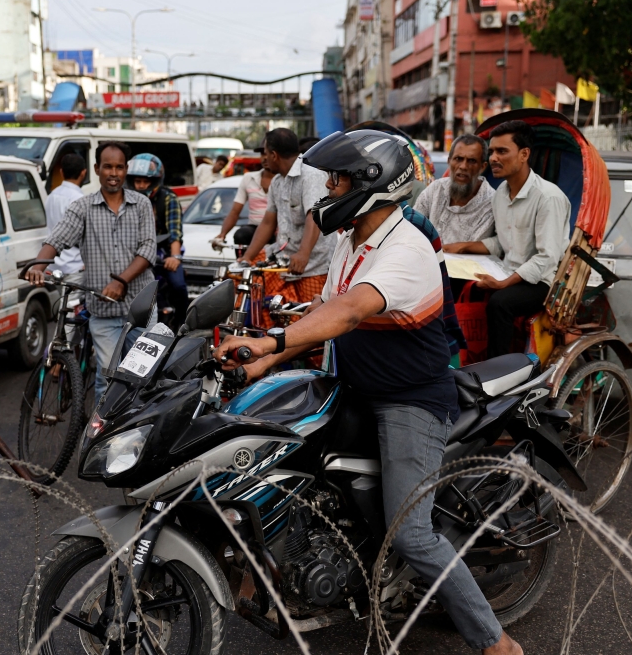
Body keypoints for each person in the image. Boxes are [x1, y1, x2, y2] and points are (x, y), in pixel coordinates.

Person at [213, 129, 523, 655]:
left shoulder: (406, 247)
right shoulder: (350, 241)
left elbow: (351, 310)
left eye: (338, 180)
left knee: (413, 533)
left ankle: (496, 643)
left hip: (410, 400)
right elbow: (324, 317)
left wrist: (269, 338)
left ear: (373, 185)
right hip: (352, 385)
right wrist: (262, 362)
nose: (328, 190)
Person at [25, 140, 156, 402]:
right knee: (107, 383)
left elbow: (148, 249)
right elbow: (56, 240)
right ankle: (99, 440)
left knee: (146, 380)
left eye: (119, 167)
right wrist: (38, 266)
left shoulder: (141, 204)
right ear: (96, 169)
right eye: (108, 166)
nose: (114, 173)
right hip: (104, 314)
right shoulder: (82, 208)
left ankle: (141, 436)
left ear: (126, 169)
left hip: (141, 310)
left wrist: (121, 281)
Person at [445, 120, 570, 357]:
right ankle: (457, 357)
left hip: (542, 282)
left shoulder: (548, 197)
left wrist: (504, 283)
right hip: (508, 270)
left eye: (502, 151)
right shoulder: (501, 193)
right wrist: (464, 247)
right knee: (453, 283)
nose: (493, 158)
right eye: (491, 152)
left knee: (500, 303)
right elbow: (502, 243)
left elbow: (548, 257)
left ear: (524, 154)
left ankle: (499, 372)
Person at [236, 128, 332, 312]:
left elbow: (315, 216)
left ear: (274, 155)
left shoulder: (311, 176)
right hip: (284, 259)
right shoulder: (277, 182)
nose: (263, 158)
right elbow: (267, 222)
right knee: (244, 283)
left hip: (313, 265)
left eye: (265, 153)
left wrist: (303, 254)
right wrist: (247, 258)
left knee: (309, 321)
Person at [126, 153, 190, 330]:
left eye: (145, 181)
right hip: (135, 253)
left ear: (155, 180)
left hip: (164, 252)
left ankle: (182, 323)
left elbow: (175, 232)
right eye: (137, 181)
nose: (141, 186)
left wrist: (175, 257)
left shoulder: (168, 198)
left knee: (178, 285)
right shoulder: (127, 199)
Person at [413, 134, 495, 244]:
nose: (463, 166)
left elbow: (471, 250)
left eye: (471, 161)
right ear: (449, 161)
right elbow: (412, 229)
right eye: (458, 159)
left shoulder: (490, 203)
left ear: (482, 167)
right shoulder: (435, 189)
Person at [210, 140, 275, 251]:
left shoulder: (284, 180)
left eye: (268, 154)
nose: (265, 157)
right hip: (255, 228)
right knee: (241, 235)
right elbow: (235, 211)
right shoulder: (248, 178)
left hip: (278, 230)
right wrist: (222, 234)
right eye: (262, 154)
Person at [45, 153, 86, 274]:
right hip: (74, 266)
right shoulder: (79, 199)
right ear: (83, 173)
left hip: (53, 265)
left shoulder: (52, 195)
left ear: (61, 172)